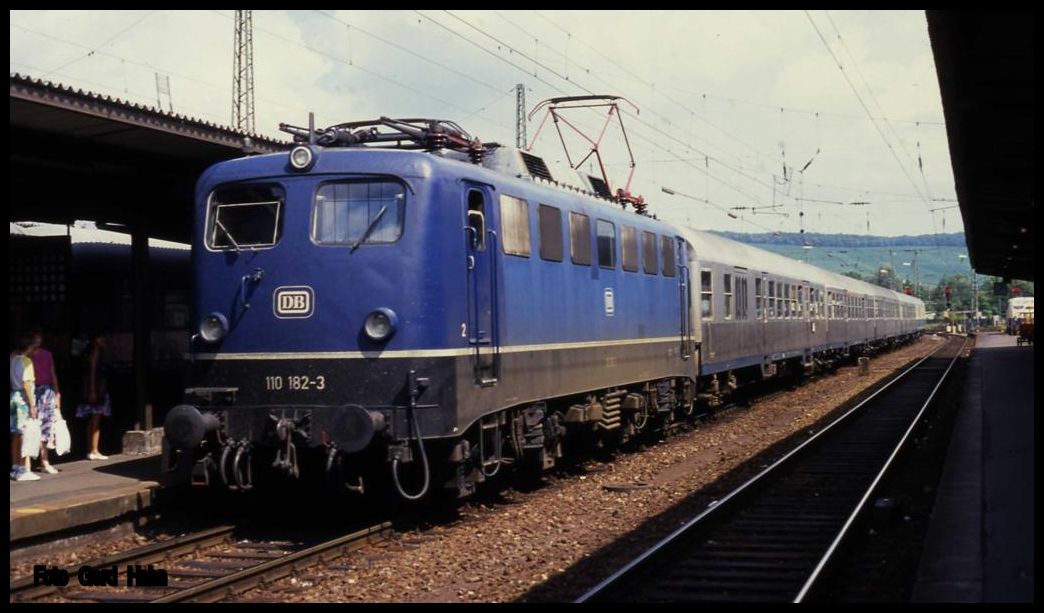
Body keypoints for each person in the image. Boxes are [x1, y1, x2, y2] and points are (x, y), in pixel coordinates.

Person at [29, 330, 61, 473]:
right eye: (34, 339)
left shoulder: (47, 354)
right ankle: (27, 463)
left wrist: (57, 394)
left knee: (46, 426)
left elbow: (53, 373)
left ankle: (45, 460)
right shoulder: (25, 355)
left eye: (39, 339)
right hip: (31, 390)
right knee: (30, 426)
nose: (37, 342)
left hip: (46, 391)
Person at [75, 332, 111, 460]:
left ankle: (91, 449)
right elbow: (93, 371)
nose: (104, 339)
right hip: (97, 388)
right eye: (101, 337)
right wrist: (93, 390)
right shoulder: (96, 352)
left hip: (93, 387)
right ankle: (94, 450)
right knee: (95, 419)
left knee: (92, 420)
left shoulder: (90, 352)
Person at [10, 334, 40, 481]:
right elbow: (27, 384)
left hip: (14, 397)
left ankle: (15, 466)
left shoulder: (13, 360)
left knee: (16, 435)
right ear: (29, 347)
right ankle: (22, 469)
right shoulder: (26, 361)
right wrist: (32, 405)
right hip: (23, 400)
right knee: (24, 434)